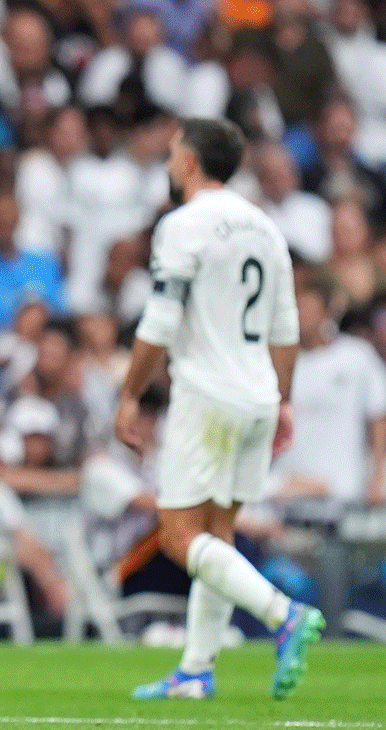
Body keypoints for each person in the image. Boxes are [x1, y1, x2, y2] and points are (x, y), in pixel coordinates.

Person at [114, 117, 324, 701]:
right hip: (257, 394)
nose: (167, 163)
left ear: (189, 161)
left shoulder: (182, 226)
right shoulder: (266, 226)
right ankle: (196, 670)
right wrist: (283, 400)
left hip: (206, 396)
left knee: (179, 535)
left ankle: (284, 614)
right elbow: (287, 331)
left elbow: (159, 323)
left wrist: (129, 392)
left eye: (173, 152)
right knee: (218, 535)